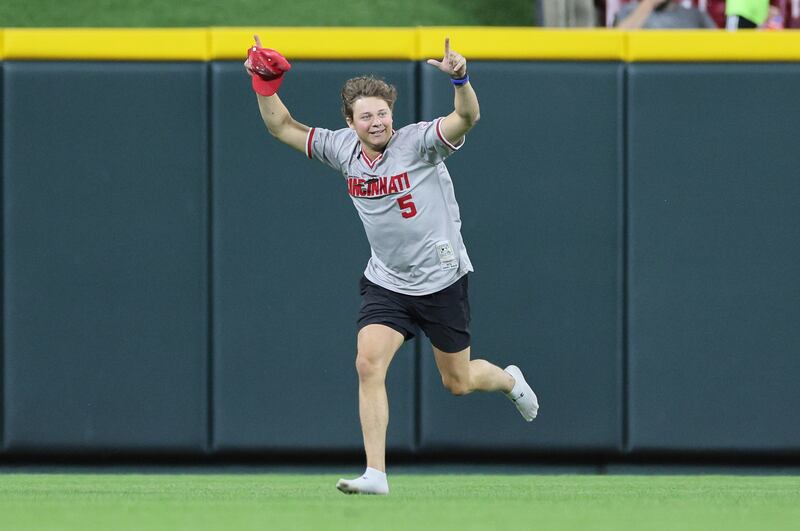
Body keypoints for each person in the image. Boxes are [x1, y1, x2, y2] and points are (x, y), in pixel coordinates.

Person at [244, 35, 539, 495]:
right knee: (367, 363)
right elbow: (282, 127)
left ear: (391, 114)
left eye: (382, 113)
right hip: (388, 282)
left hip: (441, 280)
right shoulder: (342, 149)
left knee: (458, 382)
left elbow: (467, 117)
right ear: (350, 121)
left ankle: (507, 379)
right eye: (366, 115)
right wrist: (264, 84)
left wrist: (460, 78)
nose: (377, 121)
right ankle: (376, 473)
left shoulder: (418, 143)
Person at [614, 0, 717, 28]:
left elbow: (720, 47)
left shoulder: (695, 15)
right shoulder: (629, 11)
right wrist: (649, 3)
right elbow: (617, 43)